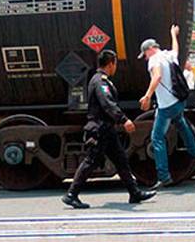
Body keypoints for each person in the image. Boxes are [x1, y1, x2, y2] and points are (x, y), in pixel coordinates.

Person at [62, 50, 156, 209]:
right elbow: (107, 103)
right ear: (111, 63)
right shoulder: (100, 81)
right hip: (99, 128)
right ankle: (71, 194)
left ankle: (134, 192)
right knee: (91, 161)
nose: (115, 67)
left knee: (121, 160)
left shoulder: (101, 80)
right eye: (115, 64)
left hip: (107, 129)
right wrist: (123, 119)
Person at [138, 25, 195, 188]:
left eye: (144, 54)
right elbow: (176, 49)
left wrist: (148, 95)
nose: (145, 58)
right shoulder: (168, 55)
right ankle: (194, 150)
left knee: (157, 138)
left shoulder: (154, 59)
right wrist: (173, 34)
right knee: (180, 121)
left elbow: (157, 76)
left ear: (150, 49)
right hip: (179, 100)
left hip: (166, 105)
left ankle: (164, 177)